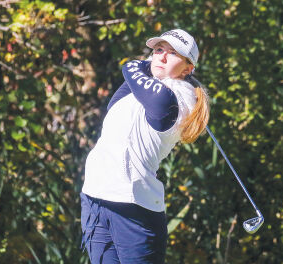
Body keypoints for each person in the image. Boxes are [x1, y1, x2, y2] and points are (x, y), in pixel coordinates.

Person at [80, 29, 210, 264]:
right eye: (158, 50)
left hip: (134, 208)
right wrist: (145, 68)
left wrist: (139, 65)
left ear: (188, 69)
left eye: (172, 54)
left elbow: (132, 70)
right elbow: (114, 106)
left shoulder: (181, 99)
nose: (160, 57)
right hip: (95, 197)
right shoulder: (142, 89)